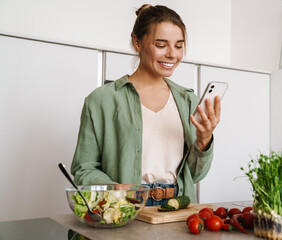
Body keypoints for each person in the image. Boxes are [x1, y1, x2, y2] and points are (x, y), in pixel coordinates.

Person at [71, 4, 221, 206]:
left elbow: (194, 175)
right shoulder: (101, 100)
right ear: (137, 43)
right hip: (127, 207)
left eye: (178, 46)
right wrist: (113, 188)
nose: (172, 54)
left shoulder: (187, 100)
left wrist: (204, 140)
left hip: (178, 208)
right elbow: (83, 169)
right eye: (161, 45)